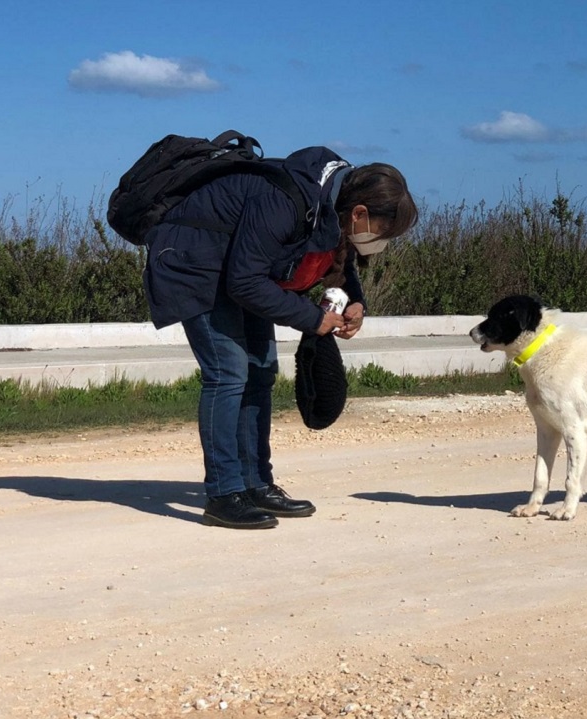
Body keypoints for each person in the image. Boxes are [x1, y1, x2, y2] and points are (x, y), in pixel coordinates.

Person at [141, 146, 417, 529]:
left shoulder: (329, 203)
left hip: (236, 270)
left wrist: (355, 301)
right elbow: (245, 281)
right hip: (193, 264)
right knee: (228, 373)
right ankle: (223, 493)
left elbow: (336, 256)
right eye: (384, 233)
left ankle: (255, 484)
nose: (381, 243)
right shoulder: (285, 201)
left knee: (260, 371)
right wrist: (312, 319)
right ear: (360, 214)